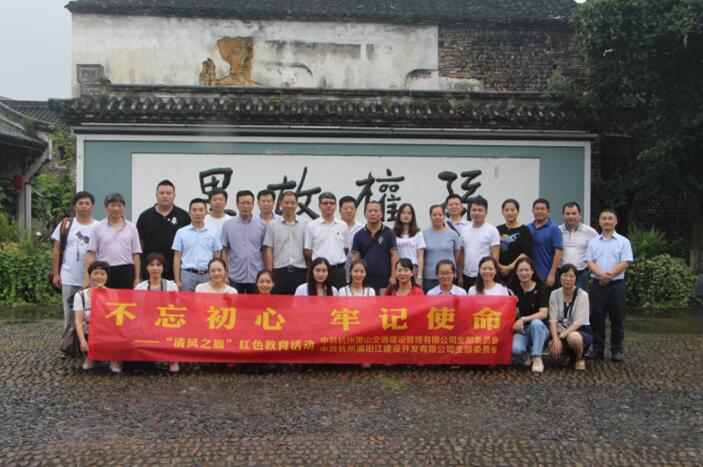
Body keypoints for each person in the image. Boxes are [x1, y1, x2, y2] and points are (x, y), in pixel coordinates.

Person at [585, 209, 633, 362]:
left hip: (616, 285)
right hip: (598, 285)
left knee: (617, 318)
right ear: (599, 222)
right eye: (604, 218)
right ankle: (597, 349)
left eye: (610, 218)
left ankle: (617, 350)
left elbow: (625, 262)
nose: (607, 221)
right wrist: (601, 275)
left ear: (616, 221)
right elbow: (589, 262)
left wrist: (609, 275)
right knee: (596, 317)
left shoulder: (623, 242)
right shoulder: (593, 242)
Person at [51, 191, 98, 335]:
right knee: (69, 314)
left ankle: (88, 343)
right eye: (80, 203)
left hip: (92, 280)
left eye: (87, 203)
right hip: (68, 277)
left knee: (91, 315)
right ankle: (68, 343)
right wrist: (56, 274)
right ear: (74, 206)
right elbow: (56, 250)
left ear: (92, 206)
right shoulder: (66, 224)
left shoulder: (98, 226)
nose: (84, 206)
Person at [134, 252, 180, 373]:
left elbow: (177, 306)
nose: (155, 268)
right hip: (146, 321)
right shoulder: (140, 287)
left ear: (163, 267)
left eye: (158, 265)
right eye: (152, 264)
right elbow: (136, 308)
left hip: (165, 320)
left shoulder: (171, 286)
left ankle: (173, 360)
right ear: (147, 267)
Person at [84, 193, 142, 289]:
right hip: (104, 271)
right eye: (113, 205)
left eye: (119, 205)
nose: (116, 208)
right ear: (106, 207)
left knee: (125, 298)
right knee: (104, 297)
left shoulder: (131, 227)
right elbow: (91, 254)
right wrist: (87, 278)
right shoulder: (98, 227)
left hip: (126, 270)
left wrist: (137, 278)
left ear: (124, 207)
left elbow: (136, 254)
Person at [74, 260, 122, 373]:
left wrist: (103, 295)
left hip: (107, 332)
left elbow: (115, 319)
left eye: (102, 273)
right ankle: (90, 357)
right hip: (89, 332)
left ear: (107, 276)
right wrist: (82, 340)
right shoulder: (80, 295)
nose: (99, 276)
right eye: (95, 273)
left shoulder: (114, 294)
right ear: (90, 275)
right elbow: (78, 320)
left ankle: (114, 359)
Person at [136, 180, 190, 280]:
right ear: (156, 195)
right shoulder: (145, 216)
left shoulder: (184, 216)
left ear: (174, 195)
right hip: (151, 270)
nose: (165, 196)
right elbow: (140, 245)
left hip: (176, 270)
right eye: (161, 193)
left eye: (168, 193)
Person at [508, 256, 550, 373]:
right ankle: (525, 357)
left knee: (536, 323)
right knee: (515, 349)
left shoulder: (541, 288)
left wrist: (523, 319)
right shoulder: (512, 289)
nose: (524, 273)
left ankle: (537, 357)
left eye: (527, 270)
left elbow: (544, 313)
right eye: (521, 270)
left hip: (540, 329)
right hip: (522, 331)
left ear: (532, 271)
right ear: (516, 272)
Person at [221, 190, 267, 294]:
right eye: (242, 203)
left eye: (248, 203)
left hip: (256, 275)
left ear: (253, 205)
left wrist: (266, 272)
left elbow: (265, 249)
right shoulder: (228, 225)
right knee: (234, 303)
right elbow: (224, 250)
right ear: (237, 204)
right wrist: (225, 273)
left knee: (255, 304)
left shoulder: (262, 225)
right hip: (234, 275)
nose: (245, 206)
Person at [172, 198, 222, 292]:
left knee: (207, 300)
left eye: (201, 210)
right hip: (187, 274)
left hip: (207, 274)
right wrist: (177, 280)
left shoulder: (213, 233)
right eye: (194, 210)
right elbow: (177, 257)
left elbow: (217, 255)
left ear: (206, 212)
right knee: (186, 301)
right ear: (189, 213)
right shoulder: (181, 232)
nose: (198, 213)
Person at [548, 264, 592, 371]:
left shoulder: (583, 295)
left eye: (571, 276)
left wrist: (562, 336)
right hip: (560, 329)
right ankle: (565, 356)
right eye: (565, 275)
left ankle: (579, 358)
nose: (568, 279)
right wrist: (555, 339)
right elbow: (552, 319)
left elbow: (579, 322)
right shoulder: (554, 294)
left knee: (573, 338)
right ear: (560, 277)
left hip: (579, 331)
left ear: (576, 278)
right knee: (551, 345)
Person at [263, 191, 308, 295]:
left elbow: (308, 249)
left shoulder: (305, 224)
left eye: (292, 203)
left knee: (299, 302)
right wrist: (269, 272)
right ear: (281, 204)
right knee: (278, 302)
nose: (289, 205)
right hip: (279, 271)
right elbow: (269, 249)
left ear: (297, 204)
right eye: (286, 202)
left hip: (300, 271)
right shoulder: (273, 225)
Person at [351, 201, 398, 294]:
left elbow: (394, 256)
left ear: (381, 214)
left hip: (385, 279)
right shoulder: (358, 235)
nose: (373, 213)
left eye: (376, 211)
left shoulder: (389, 233)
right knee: (366, 303)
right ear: (365, 214)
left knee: (384, 303)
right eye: (370, 211)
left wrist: (393, 276)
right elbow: (355, 259)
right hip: (364, 279)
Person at [304, 192, 349, 289]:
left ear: (335, 206)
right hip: (320, 272)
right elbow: (307, 251)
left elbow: (345, 249)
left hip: (338, 271)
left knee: (339, 297)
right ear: (319, 206)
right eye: (325, 203)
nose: (329, 205)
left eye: (332, 203)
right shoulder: (312, 226)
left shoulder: (343, 225)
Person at [460, 195, 500, 291]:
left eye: (480, 210)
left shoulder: (492, 230)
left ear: (486, 212)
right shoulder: (464, 230)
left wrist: (492, 274)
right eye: (474, 210)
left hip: (484, 276)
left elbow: (495, 256)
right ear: (469, 211)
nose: (476, 213)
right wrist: (460, 274)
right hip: (467, 275)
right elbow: (462, 254)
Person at [422, 204, 462, 292]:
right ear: (430, 216)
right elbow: (422, 256)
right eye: (434, 215)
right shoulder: (423, 234)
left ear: (444, 216)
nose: (437, 217)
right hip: (430, 277)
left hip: (449, 276)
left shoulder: (453, 234)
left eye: (440, 215)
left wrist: (458, 274)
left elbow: (457, 257)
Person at [559, 202, 598, 290]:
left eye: (574, 213)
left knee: (580, 297)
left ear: (580, 215)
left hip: (581, 274)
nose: (571, 216)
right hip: (561, 274)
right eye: (567, 214)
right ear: (563, 216)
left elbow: (598, 251)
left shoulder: (590, 232)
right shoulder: (557, 231)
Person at [528, 198, 563, 288]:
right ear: (532, 211)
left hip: (546, 275)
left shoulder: (554, 229)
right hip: (529, 275)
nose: (539, 211)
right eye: (537, 209)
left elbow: (558, 253)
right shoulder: (528, 228)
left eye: (542, 209)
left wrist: (552, 274)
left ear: (548, 211)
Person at [497, 198, 533, 279]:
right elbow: (493, 250)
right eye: (506, 210)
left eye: (512, 210)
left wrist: (509, 267)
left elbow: (525, 253)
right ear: (502, 212)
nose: (509, 213)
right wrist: (499, 266)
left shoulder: (525, 230)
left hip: (518, 273)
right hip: (499, 272)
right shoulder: (497, 229)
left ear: (518, 211)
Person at [393, 203, 425, 286]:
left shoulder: (418, 233)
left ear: (412, 216)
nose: (406, 215)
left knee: (415, 293)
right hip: (399, 269)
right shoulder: (393, 233)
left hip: (413, 269)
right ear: (399, 215)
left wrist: (419, 276)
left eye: (409, 213)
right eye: (403, 213)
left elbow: (420, 256)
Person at [339, 195, 364, 282]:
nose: (349, 211)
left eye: (352, 208)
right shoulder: (334, 227)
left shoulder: (362, 228)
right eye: (345, 208)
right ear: (340, 210)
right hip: (338, 270)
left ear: (356, 210)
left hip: (357, 273)